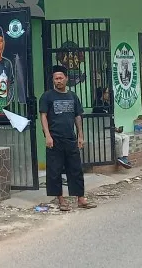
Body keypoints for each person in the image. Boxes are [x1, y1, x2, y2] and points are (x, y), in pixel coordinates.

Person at [39, 65, 96, 211]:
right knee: (55, 170)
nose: (58, 81)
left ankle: (80, 198)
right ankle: (61, 199)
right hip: (54, 139)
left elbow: (78, 116)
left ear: (66, 79)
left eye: (60, 78)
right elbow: (43, 116)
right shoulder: (47, 96)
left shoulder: (73, 96)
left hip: (70, 138)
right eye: (55, 79)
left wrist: (80, 135)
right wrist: (48, 136)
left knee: (75, 169)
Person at [92, 87, 132, 169]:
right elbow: (100, 122)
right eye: (106, 92)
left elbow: (110, 120)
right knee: (118, 139)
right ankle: (119, 158)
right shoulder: (97, 105)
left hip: (109, 129)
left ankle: (124, 157)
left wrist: (116, 128)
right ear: (102, 94)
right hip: (100, 131)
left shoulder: (107, 104)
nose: (108, 94)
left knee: (126, 137)